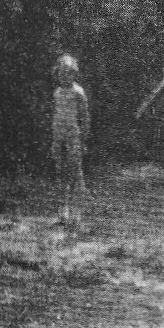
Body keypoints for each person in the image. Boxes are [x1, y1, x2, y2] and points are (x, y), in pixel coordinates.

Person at [51, 54, 90, 228]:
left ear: (74, 73)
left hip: (73, 136)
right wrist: (54, 139)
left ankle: (77, 214)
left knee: (75, 173)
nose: (65, 76)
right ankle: (63, 213)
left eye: (68, 72)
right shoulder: (57, 92)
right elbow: (56, 115)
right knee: (61, 173)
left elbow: (85, 118)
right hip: (59, 135)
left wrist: (83, 141)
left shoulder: (78, 92)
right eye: (61, 72)